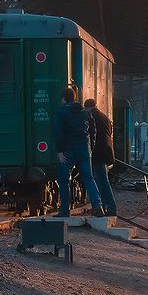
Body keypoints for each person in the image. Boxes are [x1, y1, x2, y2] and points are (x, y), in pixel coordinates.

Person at [53, 87, 104, 217]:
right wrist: (90, 147)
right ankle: (97, 205)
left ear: (64, 99)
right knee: (88, 178)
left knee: (64, 180)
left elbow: (58, 132)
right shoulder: (85, 113)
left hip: (68, 150)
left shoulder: (61, 112)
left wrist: (59, 151)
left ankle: (65, 211)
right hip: (84, 150)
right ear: (74, 98)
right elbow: (93, 131)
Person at [84, 98, 117, 217]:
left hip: (97, 153)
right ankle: (105, 207)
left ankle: (110, 207)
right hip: (106, 152)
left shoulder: (91, 117)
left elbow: (91, 135)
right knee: (102, 180)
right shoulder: (105, 117)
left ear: (86, 107)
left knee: (102, 181)